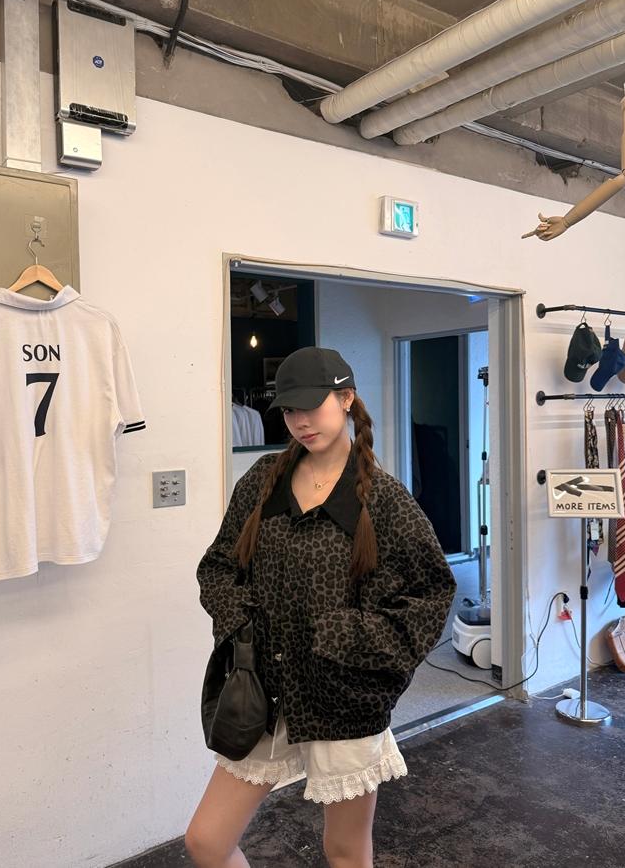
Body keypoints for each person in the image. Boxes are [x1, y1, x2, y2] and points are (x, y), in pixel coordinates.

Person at [187, 347, 457, 868]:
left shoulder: (384, 499)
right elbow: (217, 567)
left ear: (347, 398)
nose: (300, 421)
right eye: (289, 410)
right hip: (263, 690)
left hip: (343, 697)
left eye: (312, 406)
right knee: (206, 841)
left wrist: (342, 637)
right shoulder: (263, 481)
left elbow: (429, 595)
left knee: (345, 852)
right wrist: (243, 625)